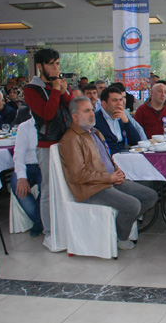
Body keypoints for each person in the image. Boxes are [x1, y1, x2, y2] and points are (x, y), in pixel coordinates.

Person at [58, 97, 157, 250]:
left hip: (109, 181)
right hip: (92, 189)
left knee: (150, 196)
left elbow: (107, 158)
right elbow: (78, 175)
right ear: (75, 117)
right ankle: (121, 238)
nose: (92, 114)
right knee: (133, 205)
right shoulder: (71, 139)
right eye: (86, 111)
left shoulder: (95, 132)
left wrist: (117, 171)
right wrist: (108, 178)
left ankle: (118, 227)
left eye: (92, 110)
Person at [24, 47, 74, 236]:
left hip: (66, 142)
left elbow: (73, 109)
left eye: (57, 63)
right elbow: (47, 114)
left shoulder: (58, 84)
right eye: (51, 64)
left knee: (68, 185)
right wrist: (55, 90)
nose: (55, 68)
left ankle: (67, 226)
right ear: (40, 66)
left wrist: (64, 92)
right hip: (47, 145)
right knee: (48, 189)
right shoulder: (31, 89)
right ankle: (50, 231)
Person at [11, 116, 43, 236]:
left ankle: (40, 222)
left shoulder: (50, 125)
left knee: (46, 188)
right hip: (27, 165)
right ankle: (39, 221)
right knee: (17, 187)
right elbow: (18, 154)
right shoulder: (25, 127)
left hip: (43, 165)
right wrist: (22, 177)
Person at [94, 87, 146, 155]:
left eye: (120, 100)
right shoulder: (95, 120)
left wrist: (127, 123)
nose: (119, 103)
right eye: (114, 100)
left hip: (124, 157)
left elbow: (135, 142)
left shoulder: (122, 117)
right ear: (104, 104)